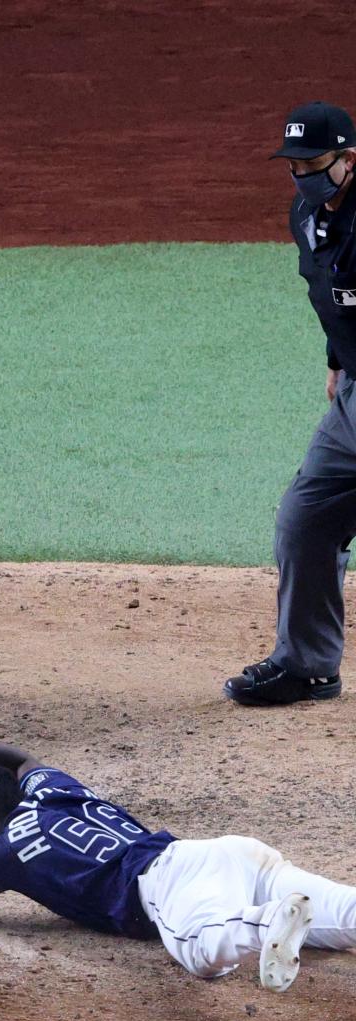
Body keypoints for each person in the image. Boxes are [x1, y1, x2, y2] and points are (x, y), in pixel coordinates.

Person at [0, 673, 356, 992]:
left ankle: (267, 922)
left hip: (169, 888)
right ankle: (292, 910)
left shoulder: (1, 850)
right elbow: (20, 758)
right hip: (224, 853)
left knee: (202, 951)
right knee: (342, 913)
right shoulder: (51, 791)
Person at [225, 102, 356, 705]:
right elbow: (331, 295)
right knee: (307, 520)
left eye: (314, 162)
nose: (301, 174)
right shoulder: (308, 215)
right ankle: (308, 666)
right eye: (294, 163)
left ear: (348, 160)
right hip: (354, 392)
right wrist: (336, 359)